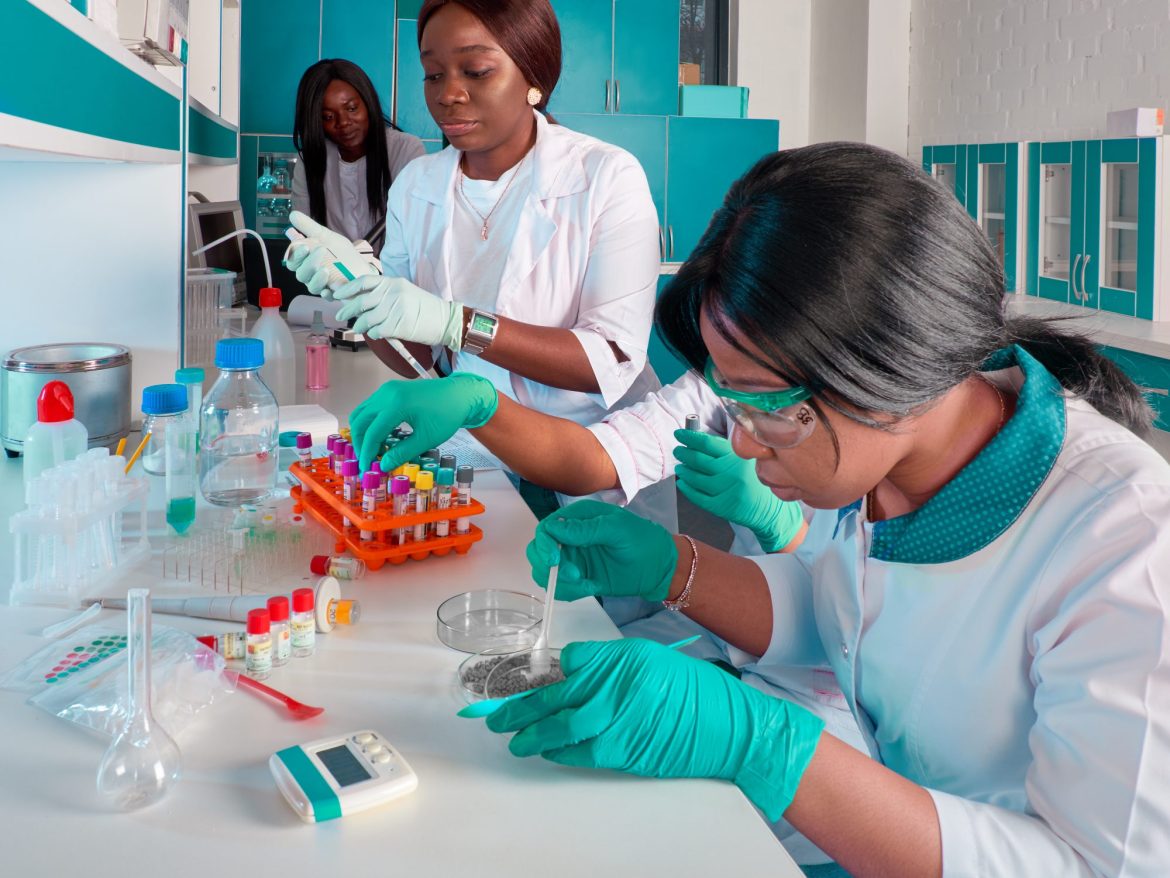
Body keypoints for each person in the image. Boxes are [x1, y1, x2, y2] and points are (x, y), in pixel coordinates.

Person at [482, 142, 1170, 876]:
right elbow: (839, 606)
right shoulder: (881, 457)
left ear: (888, 367)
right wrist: (670, 568)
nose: (744, 444)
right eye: (734, 404)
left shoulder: (1124, 539)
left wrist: (757, 743)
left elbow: (1095, 866)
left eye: (768, 411)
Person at [285, 0, 668, 525]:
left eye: (477, 70)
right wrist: (361, 297)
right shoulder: (417, 186)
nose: (448, 93)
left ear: (533, 77)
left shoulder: (605, 176)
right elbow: (420, 359)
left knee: (604, 579)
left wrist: (457, 324)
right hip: (483, 453)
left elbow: (609, 358)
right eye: (433, 74)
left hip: (596, 454)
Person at [291, 58, 425, 253]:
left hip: (392, 270)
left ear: (368, 103)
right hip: (332, 269)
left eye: (352, 108)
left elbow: (414, 234)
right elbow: (303, 231)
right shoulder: (310, 160)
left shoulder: (406, 150)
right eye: (328, 117)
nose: (343, 122)